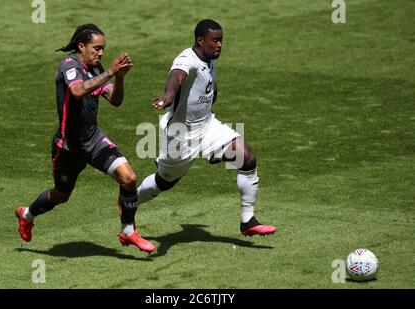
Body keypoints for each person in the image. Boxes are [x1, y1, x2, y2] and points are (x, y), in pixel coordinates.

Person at [15, 24, 155, 253]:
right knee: (61, 195)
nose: (100, 53)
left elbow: (116, 100)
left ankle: (128, 231)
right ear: (81, 46)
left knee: (129, 178)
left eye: (103, 49)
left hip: (94, 141)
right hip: (68, 147)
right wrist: (110, 72)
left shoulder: (96, 67)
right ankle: (27, 214)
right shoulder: (69, 65)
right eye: (96, 48)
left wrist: (119, 78)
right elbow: (77, 91)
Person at [137, 19, 277, 237]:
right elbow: (177, 75)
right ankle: (130, 201)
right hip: (181, 135)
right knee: (163, 183)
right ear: (200, 41)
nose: (220, 45)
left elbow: (207, 82)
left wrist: (212, 95)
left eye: (221, 40)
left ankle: (247, 221)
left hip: (207, 125)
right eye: (215, 41)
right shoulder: (187, 59)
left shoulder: (209, 57)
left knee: (247, 158)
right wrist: (169, 94)